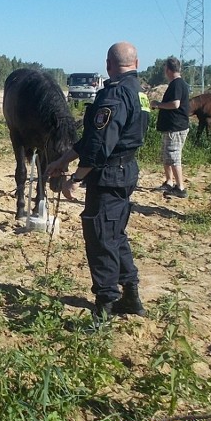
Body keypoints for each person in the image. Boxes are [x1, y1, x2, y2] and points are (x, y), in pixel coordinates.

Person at [46, 41, 148, 322]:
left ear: (108, 65)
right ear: (136, 64)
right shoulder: (139, 93)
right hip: (126, 171)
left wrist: (76, 179)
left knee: (101, 238)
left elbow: (99, 146)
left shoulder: (113, 96)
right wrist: (63, 160)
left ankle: (105, 305)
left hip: (108, 176)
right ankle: (131, 295)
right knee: (115, 234)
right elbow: (92, 138)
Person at [150, 56, 191, 198]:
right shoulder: (177, 84)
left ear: (168, 69)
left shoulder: (177, 84)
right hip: (172, 128)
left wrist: (158, 105)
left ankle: (180, 187)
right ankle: (169, 182)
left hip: (176, 128)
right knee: (167, 155)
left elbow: (175, 104)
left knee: (174, 157)